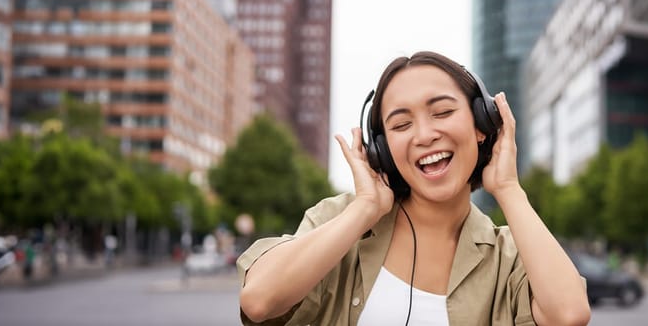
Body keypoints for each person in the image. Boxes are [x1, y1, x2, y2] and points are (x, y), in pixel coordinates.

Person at [237, 51, 591, 325]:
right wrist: (365, 209)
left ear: (482, 124)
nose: (424, 135)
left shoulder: (509, 257)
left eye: (442, 112)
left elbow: (568, 315)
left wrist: (509, 188)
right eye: (402, 124)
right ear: (382, 149)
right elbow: (259, 301)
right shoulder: (342, 221)